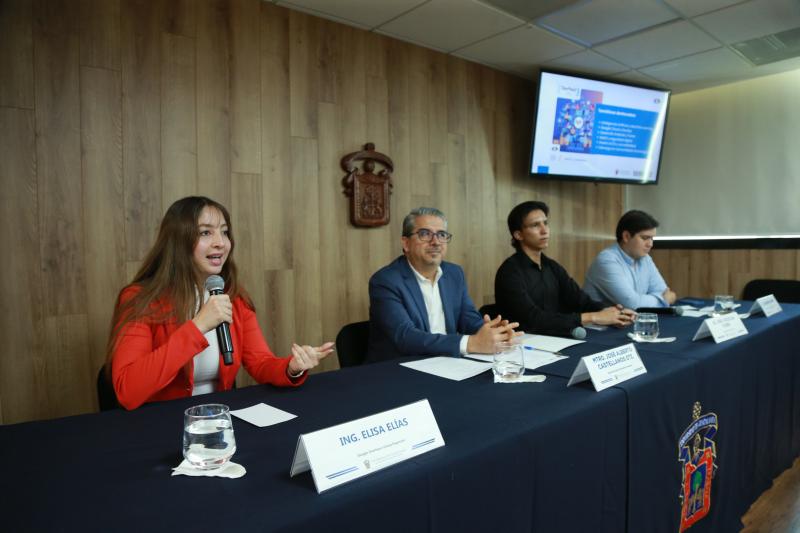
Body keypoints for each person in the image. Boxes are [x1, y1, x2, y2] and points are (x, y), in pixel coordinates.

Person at [106, 196, 333, 410]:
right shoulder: (139, 299)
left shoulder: (233, 296)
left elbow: (260, 362)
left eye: (224, 232)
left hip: (218, 417)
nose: (221, 243)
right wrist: (198, 326)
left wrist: (292, 368)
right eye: (206, 232)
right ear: (178, 242)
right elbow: (128, 390)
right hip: (161, 421)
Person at [366, 207, 518, 363]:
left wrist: (495, 333)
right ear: (406, 243)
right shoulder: (385, 281)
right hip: (400, 367)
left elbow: (468, 318)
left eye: (441, 234)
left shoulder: (454, 273)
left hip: (446, 363)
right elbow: (405, 337)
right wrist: (471, 343)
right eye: (425, 234)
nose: (436, 241)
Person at [495, 201, 634, 336]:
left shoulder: (552, 266)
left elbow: (580, 301)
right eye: (535, 225)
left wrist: (613, 312)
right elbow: (533, 320)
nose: (544, 230)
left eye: (545, 223)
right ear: (518, 235)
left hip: (557, 338)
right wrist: (594, 317)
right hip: (522, 343)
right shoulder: (509, 272)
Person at [583, 210, 677, 309]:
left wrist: (660, 298)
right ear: (626, 237)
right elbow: (632, 304)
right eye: (645, 238)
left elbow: (663, 291)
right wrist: (663, 300)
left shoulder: (645, 259)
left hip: (631, 317)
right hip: (598, 319)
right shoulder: (606, 261)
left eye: (651, 238)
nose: (650, 244)